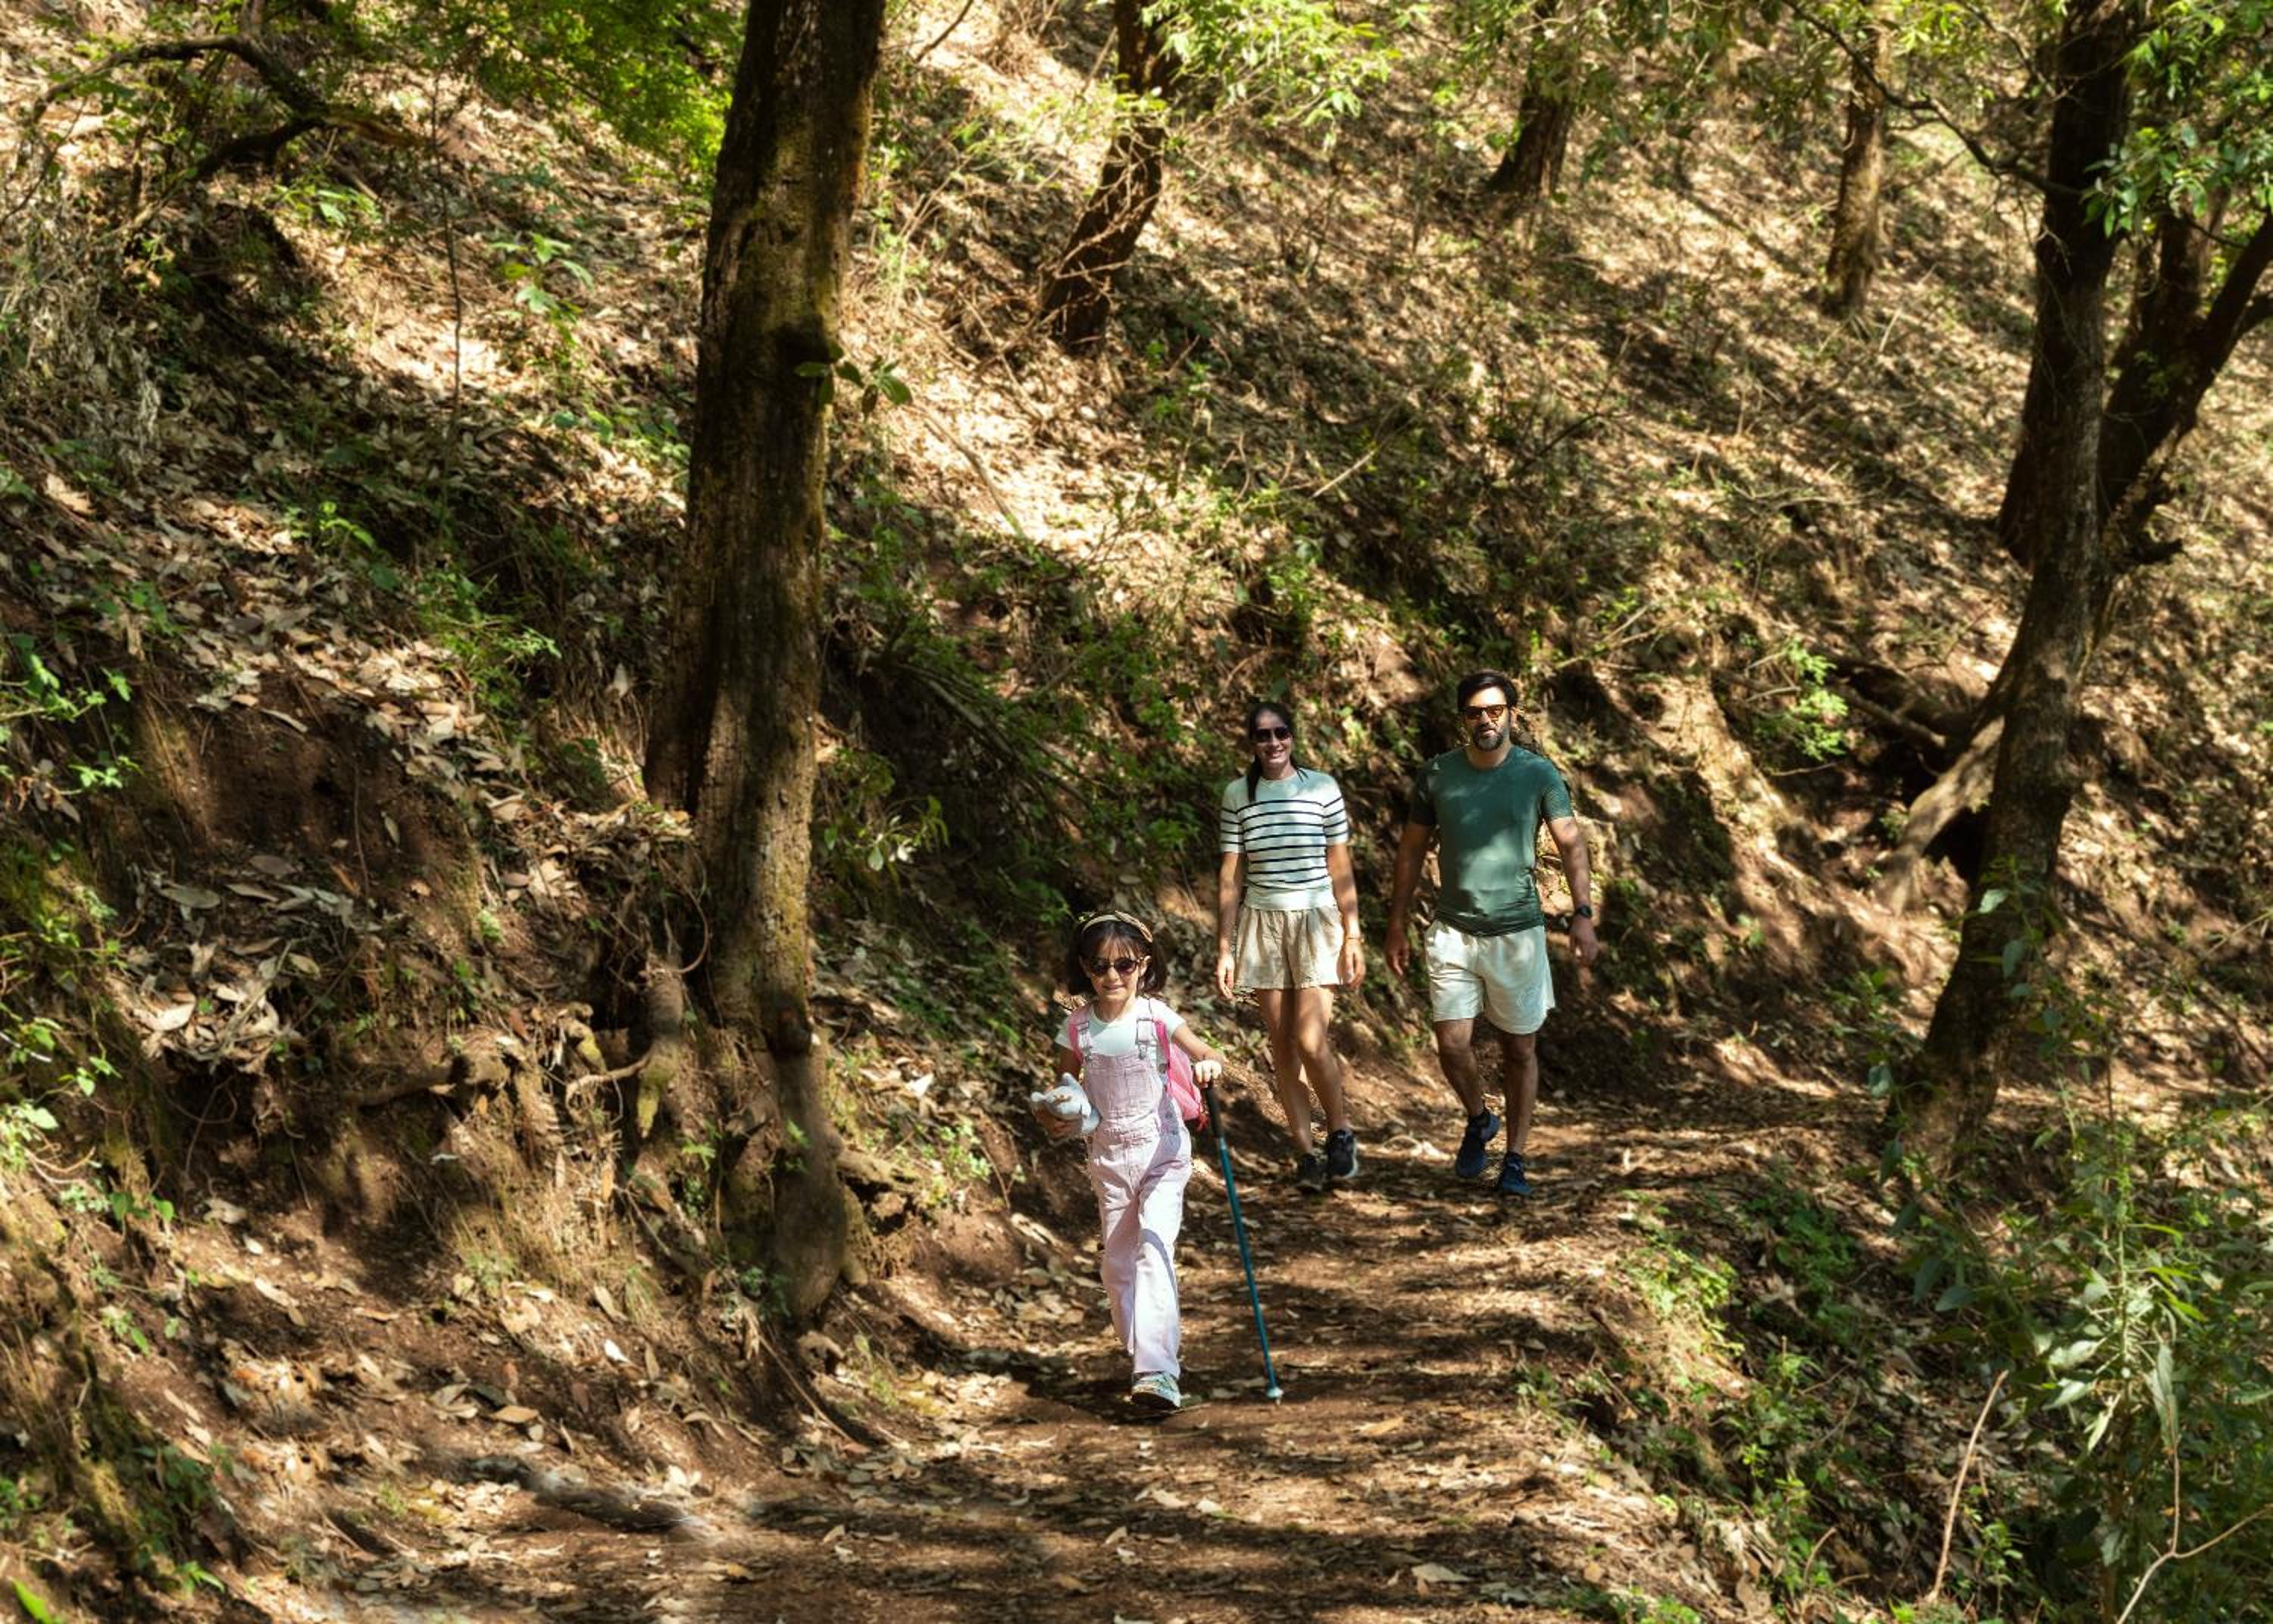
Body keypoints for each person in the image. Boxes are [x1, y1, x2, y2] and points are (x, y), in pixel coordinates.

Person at [1383, 670, 1599, 1198]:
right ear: (1463, 719)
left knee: (1519, 1050)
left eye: (1495, 710)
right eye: (1475, 712)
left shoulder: (1538, 774)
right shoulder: (1438, 775)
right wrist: (1396, 923)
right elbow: (1411, 851)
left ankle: (1515, 1159)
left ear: (1512, 715)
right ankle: (1480, 1118)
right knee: (1451, 1043)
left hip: (1517, 933)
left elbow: (1572, 844)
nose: (1486, 720)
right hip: (1453, 929)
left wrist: (1583, 913)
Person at [1036, 910, 1226, 1412]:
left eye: (1125, 965)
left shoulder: (1157, 1016)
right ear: (1084, 967)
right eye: (1100, 966)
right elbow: (1065, 1087)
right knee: (1117, 1265)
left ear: (1144, 965)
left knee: (1152, 1248)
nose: (1112, 976)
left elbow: (1205, 1050)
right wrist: (1059, 1111)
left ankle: (1157, 1370)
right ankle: (1143, 1351)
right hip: (1109, 1159)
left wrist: (1208, 1064)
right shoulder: (1077, 1028)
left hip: (1163, 1150)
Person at [1212, 699, 1364, 1194]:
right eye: (1263, 735)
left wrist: (1353, 934)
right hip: (1263, 922)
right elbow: (1231, 875)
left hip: (1317, 919)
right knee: (1281, 1044)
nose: (1273, 743)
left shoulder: (1321, 788)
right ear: (1251, 743)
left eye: (1281, 733)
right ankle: (1305, 1154)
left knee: (1310, 1038)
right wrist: (1225, 947)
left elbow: (1340, 865)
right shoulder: (1239, 794)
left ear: (1292, 736)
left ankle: (1339, 1131)